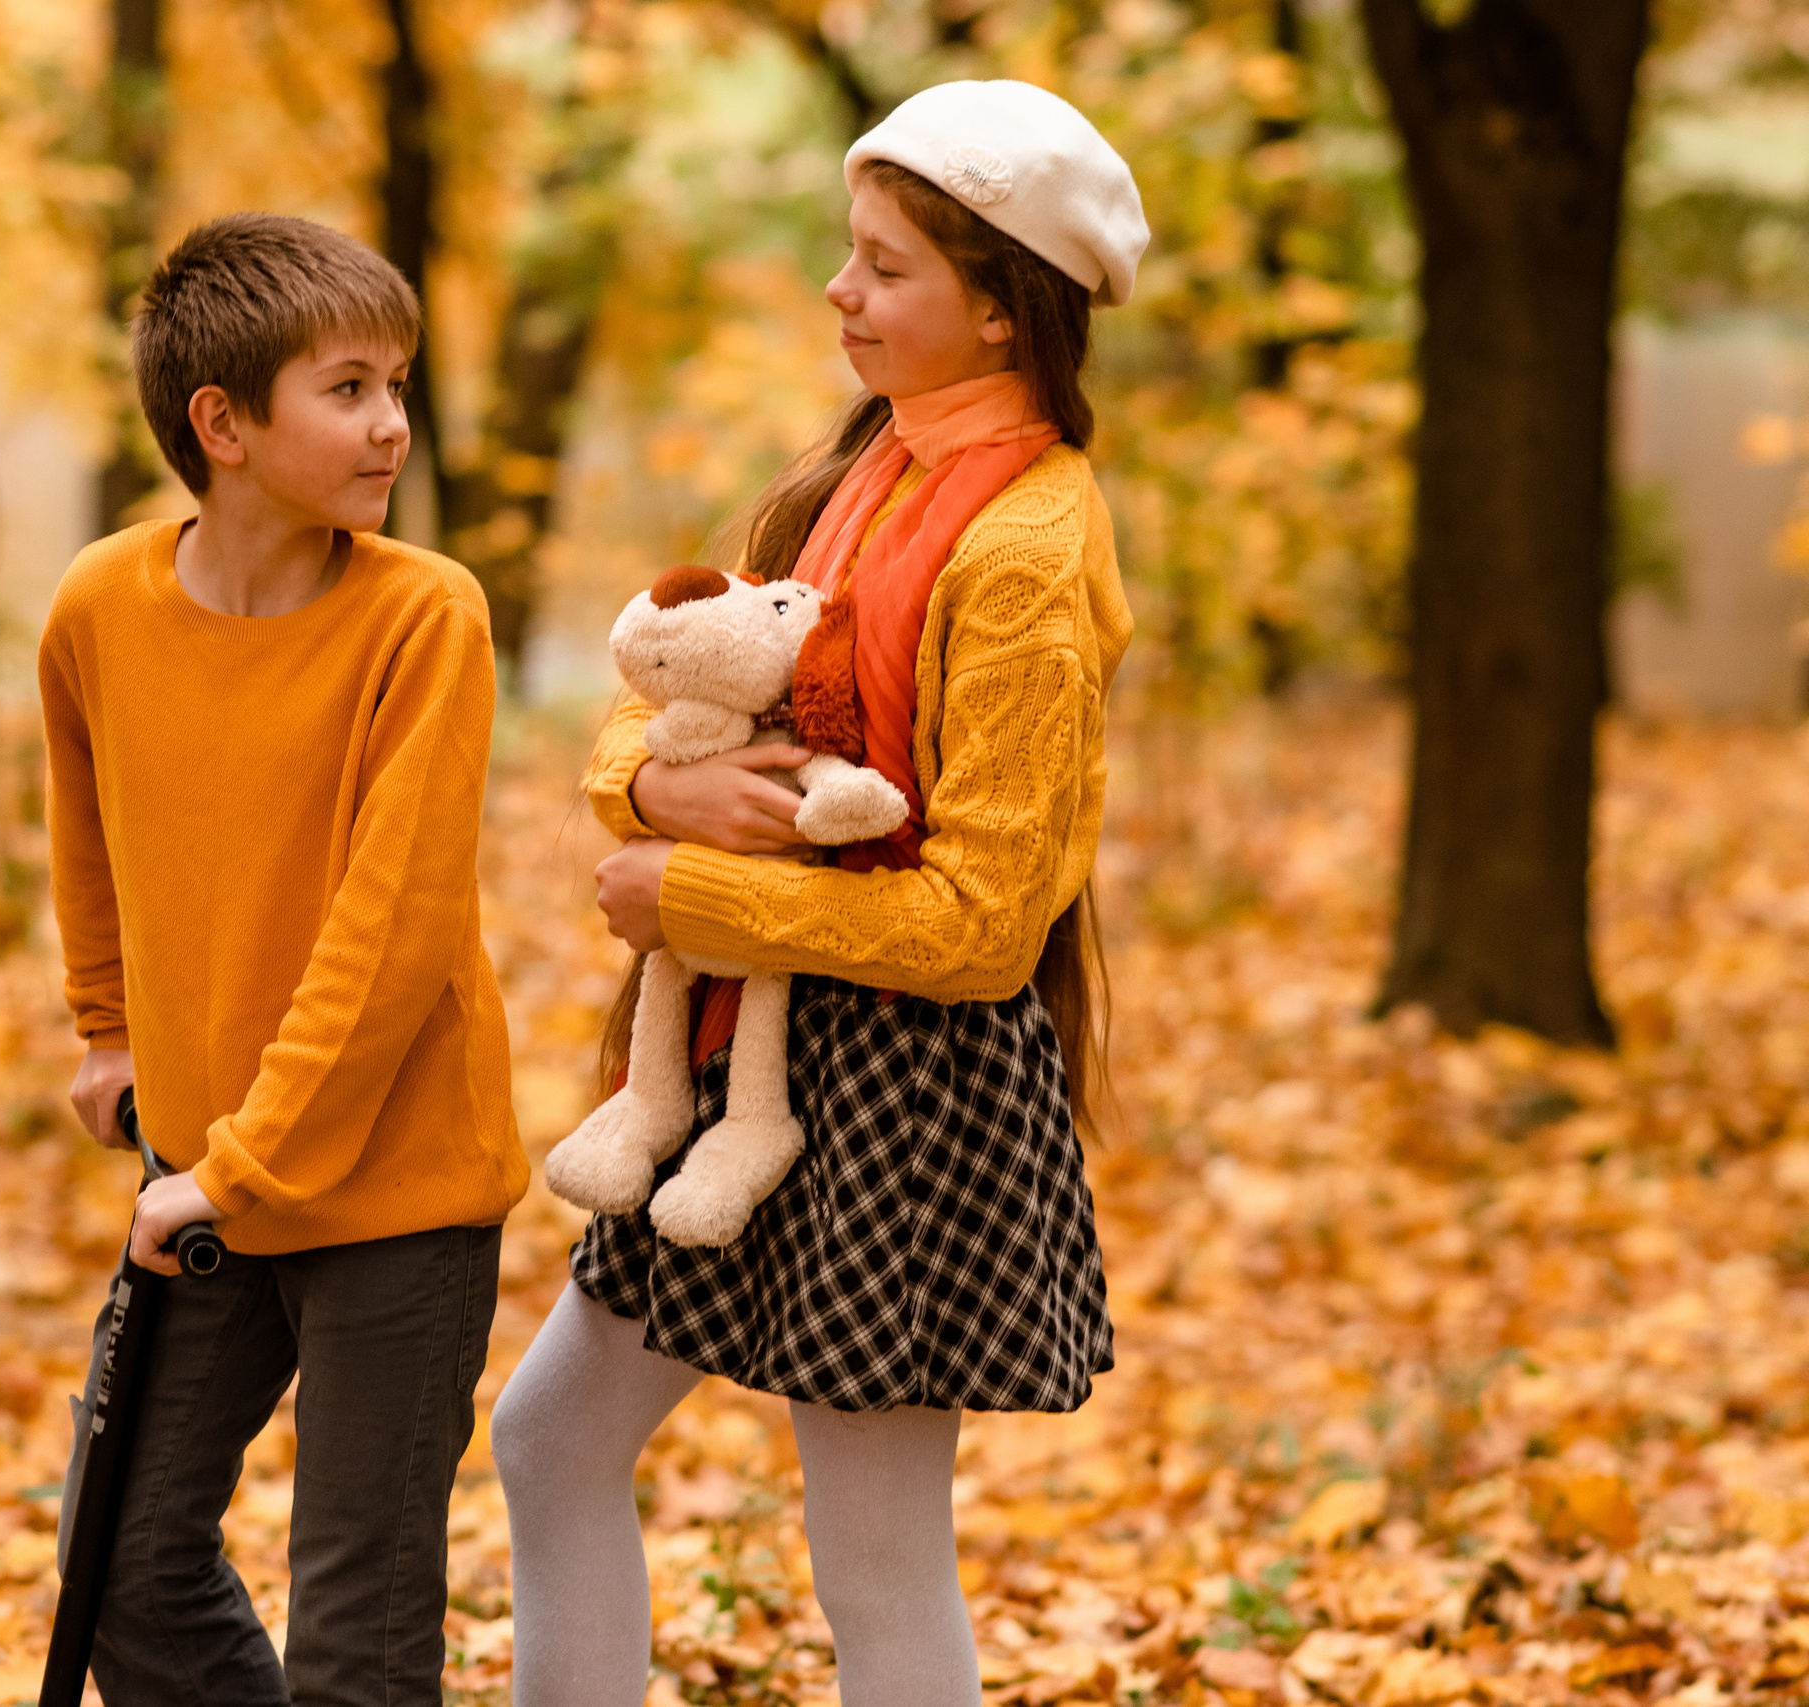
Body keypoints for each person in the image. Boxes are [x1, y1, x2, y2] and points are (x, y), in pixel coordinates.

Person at [491, 81, 1147, 1707]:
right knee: (551, 1435)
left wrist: (704, 901)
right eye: (846, 257)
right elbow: (677, 673)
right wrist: (657, 795)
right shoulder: (865, 470)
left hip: (908, 1083)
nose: (838, 294)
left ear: (1002, 308)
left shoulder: (1030, 546)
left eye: (883, 269)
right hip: (743, 1055)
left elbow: (987, 927)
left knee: (871, 1551)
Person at [39, 211, 526, 1707]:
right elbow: (92, 835)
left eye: (397, 384)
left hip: (391, 1191)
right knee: (119, 1565)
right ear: (222, 424)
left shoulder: (422, 617)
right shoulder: (99, 609)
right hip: (202, 1178)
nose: (392, 424)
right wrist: (110, 1032)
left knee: (356, 1647)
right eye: (349, 388)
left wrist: (237, 1176)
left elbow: (389, 940)